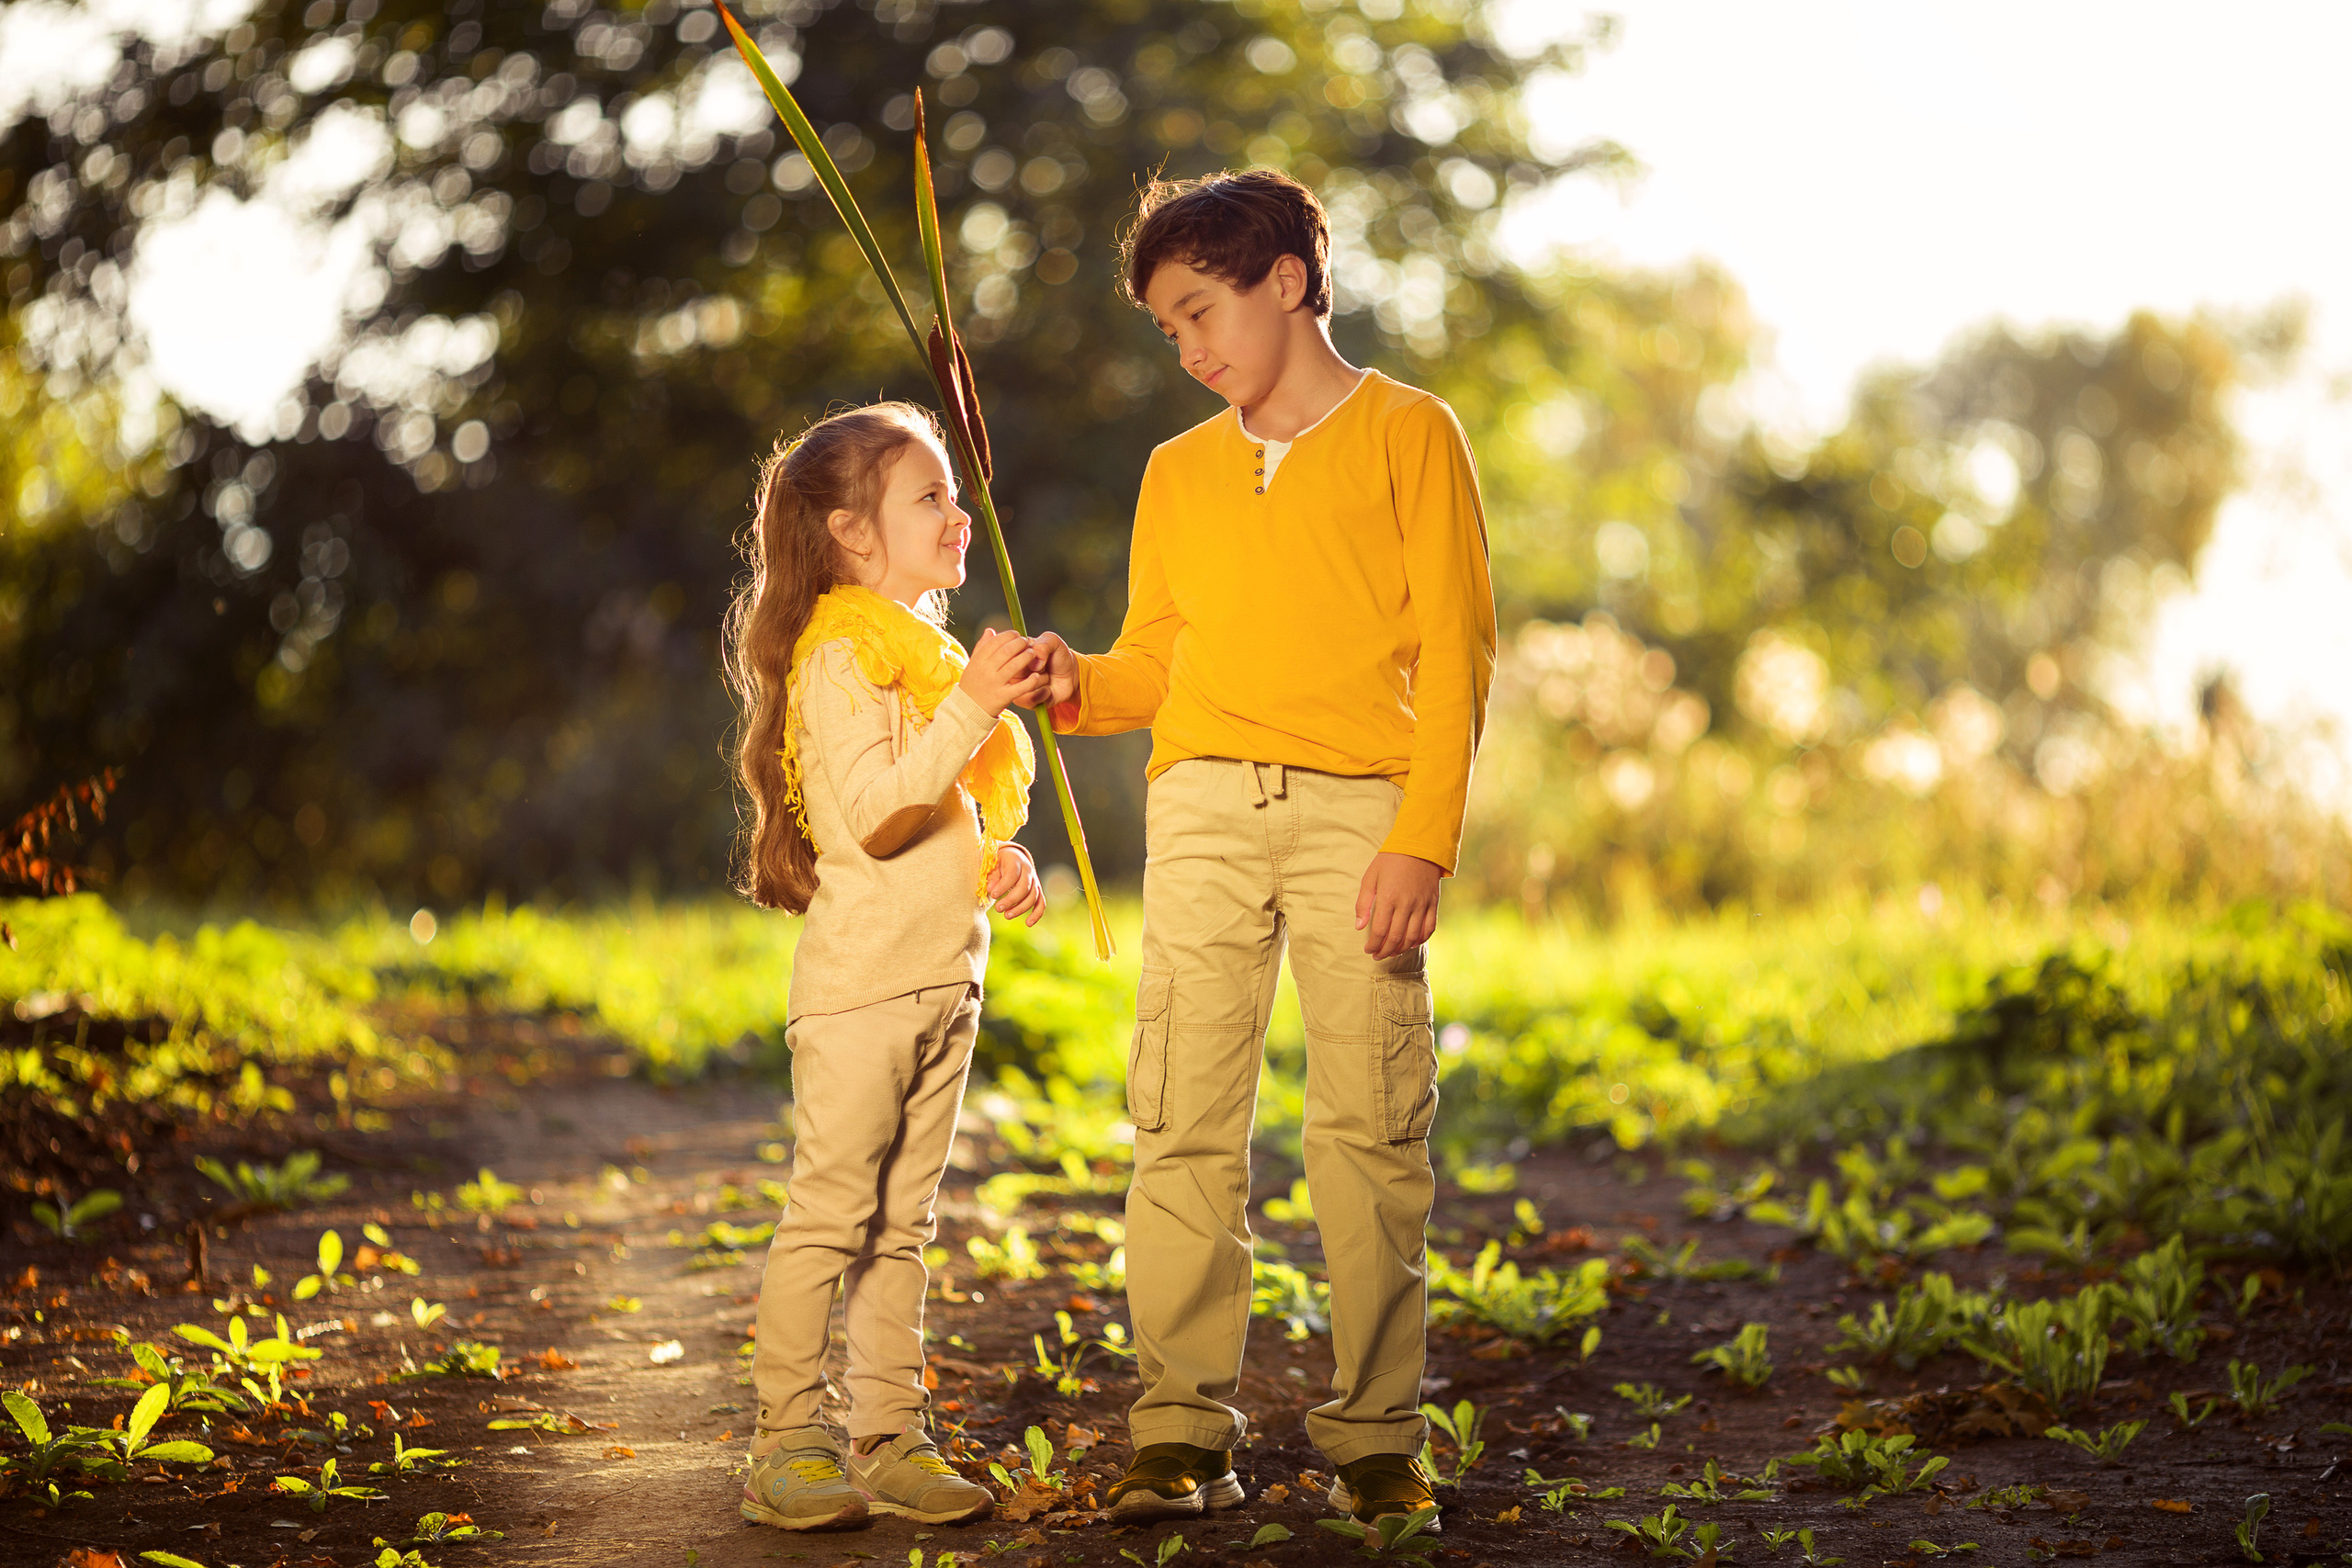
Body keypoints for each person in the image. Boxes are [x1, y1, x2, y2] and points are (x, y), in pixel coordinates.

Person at [1025, 170, 1497, 1532]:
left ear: (1286, 278)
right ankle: (1179, 1427)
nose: (1189, 350)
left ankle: (1378, 1434)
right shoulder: (1176, 470)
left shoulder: (1414, 432)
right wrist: (1078, 681)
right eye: (1168, 330)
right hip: (1205, 809)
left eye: (1199, 312)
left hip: (1364, 811)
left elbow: (1460, 657)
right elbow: (1159, 658)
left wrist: (1424, 839)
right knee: (1181, 1113)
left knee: (1369, 1124)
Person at [723, 401, 1048, 1531]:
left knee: (902, 1232)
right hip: (861, 994)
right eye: (931, 498)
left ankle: (890, 1438)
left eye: (954, 496)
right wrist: (974, 704)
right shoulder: (841, 654)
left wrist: (998, 863)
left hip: (942, 981)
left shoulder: (923, 655)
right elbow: (870, 816)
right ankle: (789, 1445)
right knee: (830, 1222)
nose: (961, 516)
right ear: (854, 534)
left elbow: (934, 811)